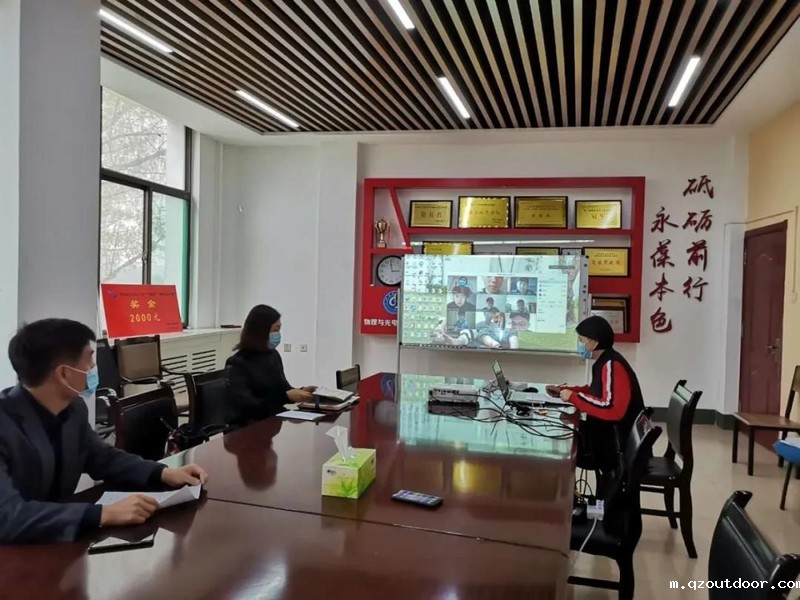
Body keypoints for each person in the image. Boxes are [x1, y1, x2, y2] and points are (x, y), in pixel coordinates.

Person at [0, 319, 209, 544]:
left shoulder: (73, 408)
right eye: (89, 359)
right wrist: (102, 514)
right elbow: (7, 516)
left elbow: (102, 458)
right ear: (64, 374)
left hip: (56, 543)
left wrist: (162, 473)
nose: (93, 367)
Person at [547, 315, 645, 486]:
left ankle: (563, 497)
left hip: (617, 445)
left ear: (595, 341)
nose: (580, 345)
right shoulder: (604, 361)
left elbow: (612, 409)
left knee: (560, 448)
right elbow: (596, 391)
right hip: (608, 434)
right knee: (563, 433)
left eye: (582, 340)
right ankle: (567, 497)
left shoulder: (612, 365)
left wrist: (573, 397)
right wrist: (567, 391)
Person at [225, 305, 315, 428]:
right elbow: (249, 406)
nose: (278, 334)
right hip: (247, 428)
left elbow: (283, 389)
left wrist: (301, 391)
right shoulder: (238, 363)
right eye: (275, 330)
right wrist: (286, 397)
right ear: (261, 331)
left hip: (273, 422)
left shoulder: (272, 355)